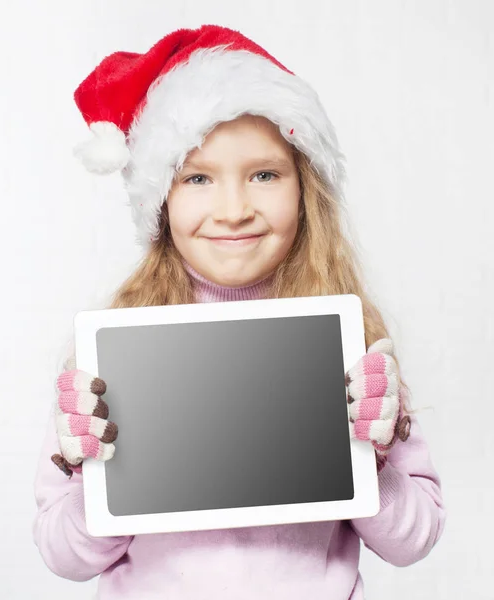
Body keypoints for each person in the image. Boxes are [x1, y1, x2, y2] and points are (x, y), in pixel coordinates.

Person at [32, 24, 445, 599]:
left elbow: (416, 537)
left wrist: (370, 461)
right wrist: (89, 478)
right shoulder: (113, 357)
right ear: (161, 200)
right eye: (198, 177)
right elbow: (62, 554)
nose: (233, 210)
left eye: (265, 175)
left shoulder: (351, 346)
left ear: (305, 188)